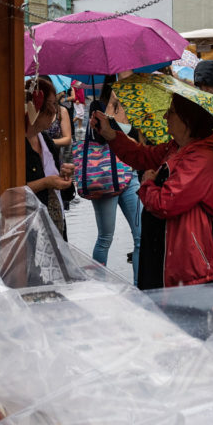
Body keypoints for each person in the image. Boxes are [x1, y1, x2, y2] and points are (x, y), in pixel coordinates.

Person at [93, 93, 213, 289]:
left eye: (172, 112)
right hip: (171, 254)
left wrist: (148, 184)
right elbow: (142, 155)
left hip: (193, 265)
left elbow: (166, 202)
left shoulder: (203, 159)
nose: (166, 117)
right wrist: (111, 134)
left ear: (188, 120)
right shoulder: (177, 147)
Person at [0, 76, 75, 239]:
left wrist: (65, 180)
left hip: (54, 232)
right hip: (21, 235)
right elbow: (0, 192)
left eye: (55, 105)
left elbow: (65, 196)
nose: (55, 111)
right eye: (51, 105)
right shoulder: (5, 142)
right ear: (35, 107)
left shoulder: (46, 141)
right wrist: (46, 183)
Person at [84, 81, 143, 282]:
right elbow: (99, 138)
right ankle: (99, 287)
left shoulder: (132, 108)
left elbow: (138, 142)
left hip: (129, 175)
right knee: (105, 237)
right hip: (105, 177)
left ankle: (139, 287)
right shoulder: (97, 107)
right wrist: (111, 106)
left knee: (140, 236)